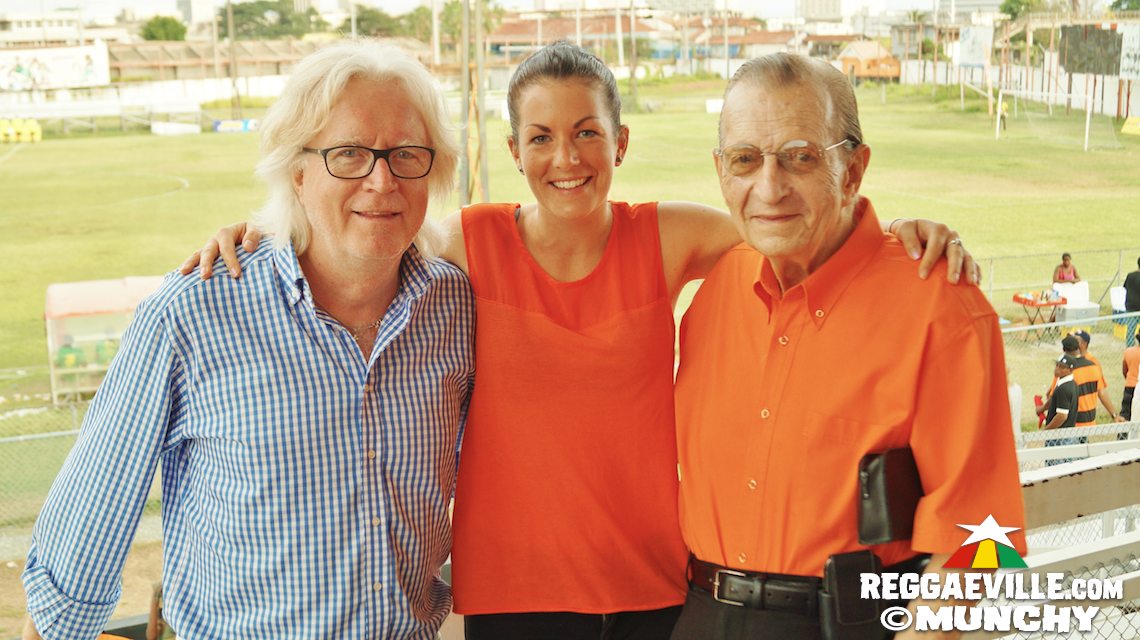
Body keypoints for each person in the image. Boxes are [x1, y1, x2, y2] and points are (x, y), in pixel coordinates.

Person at [183, 43, 976, 640]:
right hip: (512, 594)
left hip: (657, 589)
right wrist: (263, 231)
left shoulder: (668, 238)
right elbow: (357, 225)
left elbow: (790, 213)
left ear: (620, 143)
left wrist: (907, 232)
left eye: (587, 132)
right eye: (541, 137)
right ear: (515, 150)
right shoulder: (467, 242)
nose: (566, 158)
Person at [22, 41, 475, 640]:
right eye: (348, 154)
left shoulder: (458, 310)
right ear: (297, 168)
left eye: (406, 154)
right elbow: (87, 521)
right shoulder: (192, 315)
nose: (382, 179)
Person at [671, 53, 1026, 639]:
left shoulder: (942, 309)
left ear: (854, 170)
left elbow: (984, 544)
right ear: (720, 171)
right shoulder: (714, 293)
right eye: (744, 159)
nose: (769, 186)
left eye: (800, 157)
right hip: (700, 615)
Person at [1072, 329, 1124, 424]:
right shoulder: (1068, 362)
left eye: (1076, 341)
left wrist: (1114, 415)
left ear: (1084, 344)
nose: (1072, 343)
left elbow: (1101, 391)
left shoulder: (1093, 363)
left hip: (1085, 419)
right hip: (1071, 419)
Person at [1043, 354, 1080, 465]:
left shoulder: (1064, 388)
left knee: (1055, 469)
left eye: (1062, 367)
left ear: (1070, 369)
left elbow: (1062, 416)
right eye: (1057, 365)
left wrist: (1046, 430)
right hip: (1067, 434)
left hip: (1059, 436)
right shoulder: (1071, 384)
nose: (1057, 369)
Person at [1122, 331, 1139, 423]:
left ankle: (1122, 436)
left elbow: (1124, 370)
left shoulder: (1128, 352)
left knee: (1125, 414)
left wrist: (1130, 378)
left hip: (1130, 385)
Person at [1124, 257, 1140, 347]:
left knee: (1130, 330)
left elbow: (1125, 287)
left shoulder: (1130, 275)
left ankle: (1129, 348)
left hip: (1130, 307)